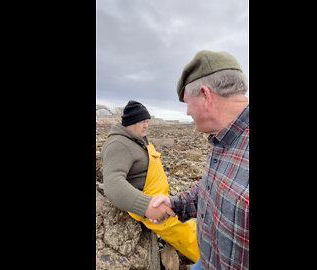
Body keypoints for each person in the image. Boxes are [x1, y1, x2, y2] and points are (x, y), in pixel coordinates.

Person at [149, 50, 249, 270]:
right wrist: (174, 203)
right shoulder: (222, 138)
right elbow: (210, 189)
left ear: (206, 95)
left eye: (187, 102)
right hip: (206, 259)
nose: (186, 112)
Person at [101, 100, 199, 262]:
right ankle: (214, 260)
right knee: (188, 233)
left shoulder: (136, 139)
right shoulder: (118, 144)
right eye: (141, 121)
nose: (146, 125)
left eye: (147, 121)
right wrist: (146, 206)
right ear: (130, 122)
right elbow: (112, 183)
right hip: (151, 205)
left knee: (193, 225)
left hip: (161, 197)